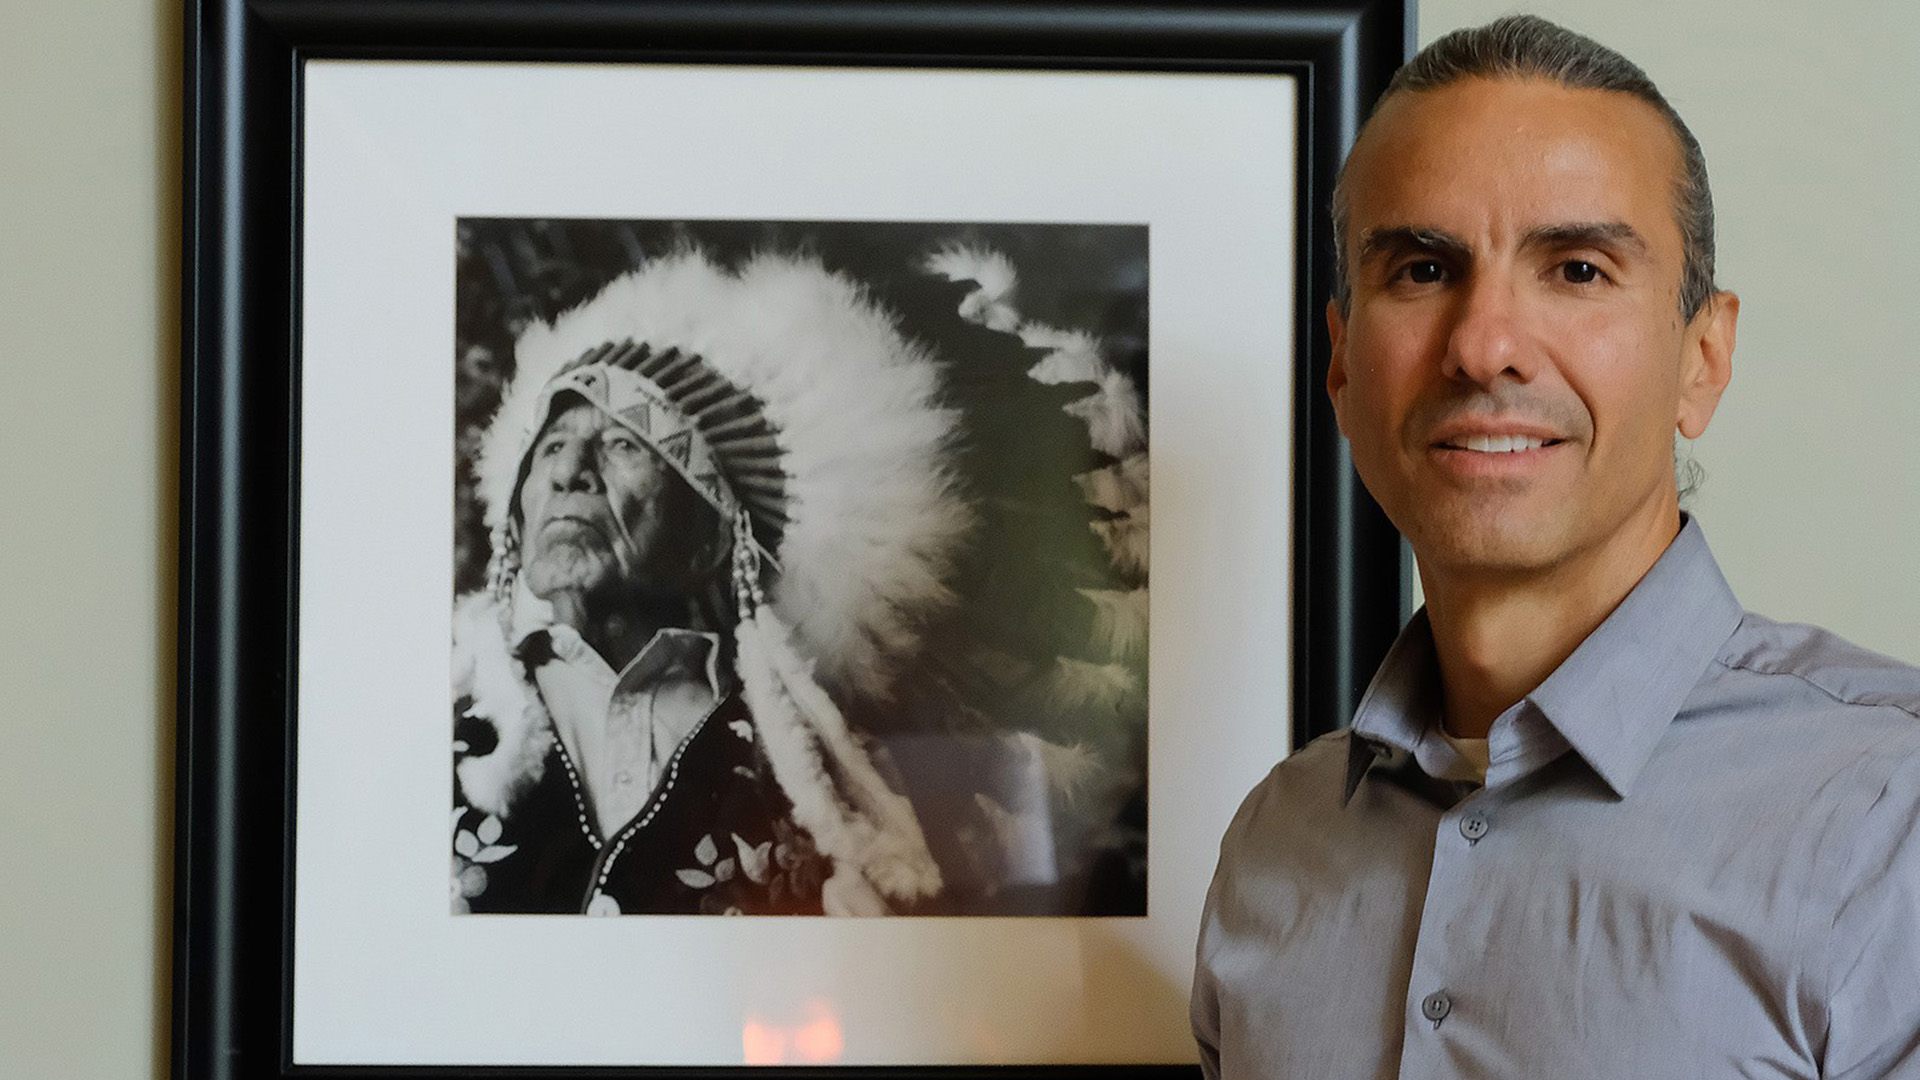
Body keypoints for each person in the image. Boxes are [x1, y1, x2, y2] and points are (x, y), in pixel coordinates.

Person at [1192, 14, 1920, 1078]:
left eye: (1577, 269)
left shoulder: (1892, 822)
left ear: (1704, 357)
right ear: (1342, 367)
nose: (1484, 345)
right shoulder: (1275, 845)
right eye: (1422, 270)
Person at [449, 249, 968, 916]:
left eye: (623, 443)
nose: (568, 470)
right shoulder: (448, 707)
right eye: (550, 445)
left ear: (711, 538)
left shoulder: (810, 779)